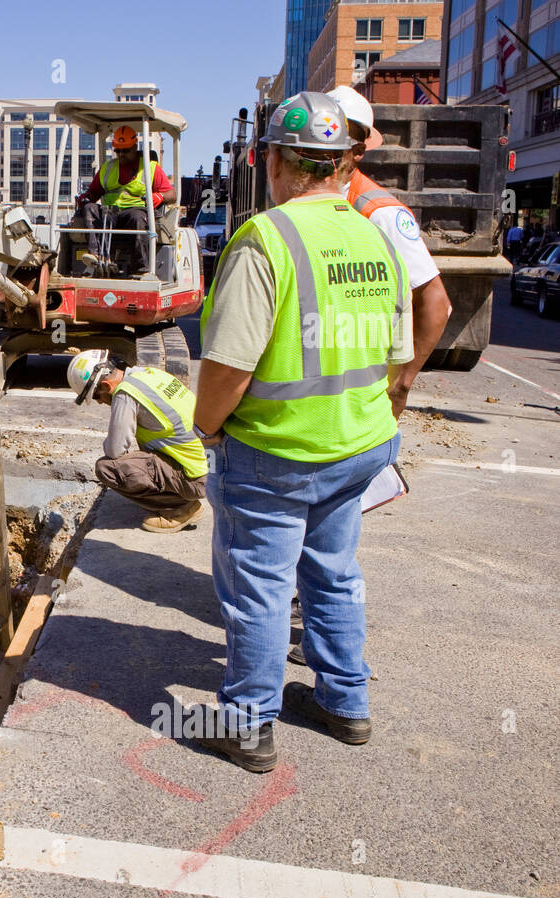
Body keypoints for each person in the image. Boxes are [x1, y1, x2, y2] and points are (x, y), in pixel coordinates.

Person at [191, 92, 413, 772]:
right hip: (358, 443)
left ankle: (249, 724)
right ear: (343, 162)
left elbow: (228, 368)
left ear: (274, 162)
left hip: (279, 450)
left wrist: (207, 430)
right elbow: (397, 357)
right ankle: (346, 702)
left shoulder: (266, 240)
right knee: (334, 572)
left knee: (258, 585)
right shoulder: (374, 235)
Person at [328, 87, 453, 418]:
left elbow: (436, 303)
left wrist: (401, 384)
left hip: (360, 393)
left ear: (358, 150)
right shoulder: (308, 197)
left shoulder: (379, 212)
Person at [69, 349, 207, 533]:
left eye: (97, 397)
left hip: (196, 478)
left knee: (107, 468)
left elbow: (115, 451)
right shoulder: (150, 375)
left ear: (106, 385)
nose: (100, 403)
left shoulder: (125, 393)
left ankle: (180, 508)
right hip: (211, 465)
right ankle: (178, 496)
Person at [73, 125, 177, 276]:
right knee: (89, 208)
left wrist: (159, 196)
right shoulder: (107, 168)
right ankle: (96, 256)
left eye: (126, 150)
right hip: (109, 213)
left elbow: (171, 194)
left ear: (135, 147)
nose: (121, 154)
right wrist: (85, 199)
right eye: (118, 151)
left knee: (137, 218)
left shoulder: (151, 167)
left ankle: (142, 269)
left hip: (135, 213)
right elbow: (93, 193)